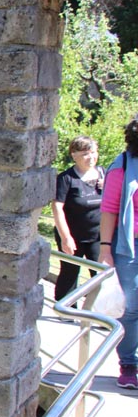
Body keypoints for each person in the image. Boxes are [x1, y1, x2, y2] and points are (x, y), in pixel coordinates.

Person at [98, 118, 138, 389]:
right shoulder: (122, 166)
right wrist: (104, 249)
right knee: (132, 307)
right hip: (129, 247)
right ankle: (128, 363)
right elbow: (110, 208)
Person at [52, 136, 104, 301]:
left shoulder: (104, 174)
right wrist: (65, 238)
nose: (91, 157)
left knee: (101, 273)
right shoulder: (66, 178)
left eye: (93, 152)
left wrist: (108, 186)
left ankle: (98, 312)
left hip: (97, 236)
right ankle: (66, 309)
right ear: (74, 155)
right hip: (73, 235)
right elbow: (57, 208)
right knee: (70, 272)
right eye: (86, 154)